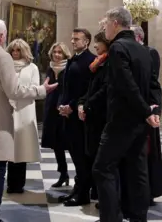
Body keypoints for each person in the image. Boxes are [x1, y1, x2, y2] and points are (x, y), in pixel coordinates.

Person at [0, 18, 57, 222]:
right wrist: (41, 90)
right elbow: (14, 91)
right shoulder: (1, 56)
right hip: (0, 122)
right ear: (1, 36)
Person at [93, 7, 159, 222]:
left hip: (121, 121)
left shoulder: (118, 47)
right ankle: (139, 218)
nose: (104, 30)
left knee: (103, 168)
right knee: (137, 170)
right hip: (139, 122)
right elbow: (152, 85)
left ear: (115, 23)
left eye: (106, 25)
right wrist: (152, 110)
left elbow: (126, 85)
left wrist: (144, 111)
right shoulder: (143, 50)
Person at [58, 28, 96, 206]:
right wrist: (62, 105)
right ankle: (78, 188)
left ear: (86, 41)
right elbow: (67, 86)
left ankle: (83, 194)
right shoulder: (74, 58)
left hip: (79, 117)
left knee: (82, 157)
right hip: (68, 114)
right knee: (75, 155)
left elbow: (85, 90)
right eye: (72, 39)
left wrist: (71, 106)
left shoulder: (89, 60)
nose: (72, 42)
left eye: (76, 39)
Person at [130, 25, 162, 206]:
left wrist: (154, 110)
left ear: (137, 37)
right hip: (132, 109)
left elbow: (152, 83)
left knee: (147, 152)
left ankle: (148, 191)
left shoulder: (150, 52)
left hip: (146, 107)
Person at [5, 39, 42, 194]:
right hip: (8, 108)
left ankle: (18, 184)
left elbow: (35, 87)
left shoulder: (32, 67)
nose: (15, 53)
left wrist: (20, 91)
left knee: (22, 148)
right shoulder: (5, 67)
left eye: (18, 50)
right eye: (13, 50)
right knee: (8, 148)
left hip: (25, 110)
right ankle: (9, 183)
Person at [77, 31, 110, 206]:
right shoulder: (97, 64)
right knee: (91, 156)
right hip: (91, 115)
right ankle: (95, 192)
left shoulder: (109, 64)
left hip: (101, 117)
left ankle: (101, 196)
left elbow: (103, 90)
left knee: (100, 159)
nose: (95, 46)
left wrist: (87, 105)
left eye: (98, 43)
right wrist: (82, 103)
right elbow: (90, 89)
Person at [40, 42, 72, 188]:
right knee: (56, 143)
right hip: (51, 108)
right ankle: (63, 173)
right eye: (55, 52)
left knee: (70, 142)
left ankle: (82, 176)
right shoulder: (50, 69)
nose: (57, 55)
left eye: (60, 52)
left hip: (65, 108)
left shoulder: (69, 67)